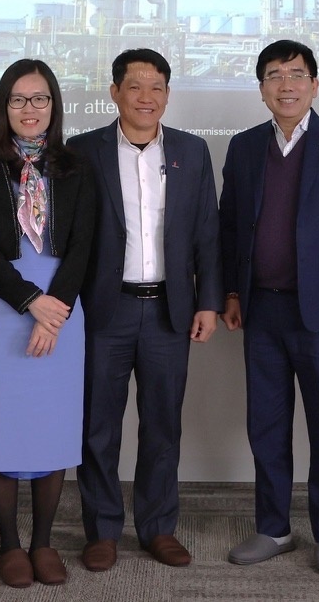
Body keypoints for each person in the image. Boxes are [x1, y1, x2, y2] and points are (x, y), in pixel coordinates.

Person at [219, 39, 319, 577]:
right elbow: (230, 225)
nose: (285, 85)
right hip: (262, 311)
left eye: (295, 74)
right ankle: (274, 528)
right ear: (261, 88)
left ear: (314, 84)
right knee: (266, 425)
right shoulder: (244, 147)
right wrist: (232, 292)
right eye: (274, 75)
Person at [70, 49, 223, 571]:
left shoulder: (191, 151)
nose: (146, 97)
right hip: (104, 311)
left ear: (167, 94)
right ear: (115, 92)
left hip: (168, 311)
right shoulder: (83, 151)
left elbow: (207, 232)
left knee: (163, 427)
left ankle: (158, 527)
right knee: (98, 427)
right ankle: (102, 530)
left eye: (156, 87)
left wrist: (208, 302)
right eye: (134, 86)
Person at [0, 59, 96, 588]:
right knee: (2, 426)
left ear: (54, 105)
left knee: (51, 425)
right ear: (4, 107)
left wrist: (53, 308)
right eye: (18, 99)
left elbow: (83, 245)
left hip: (62, 308)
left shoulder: (78, 167)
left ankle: (42, 543)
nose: (30, 108)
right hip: (2, 308)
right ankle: (11, 545)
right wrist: (28, 302)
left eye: (40, 98)